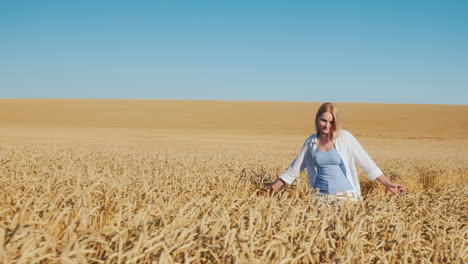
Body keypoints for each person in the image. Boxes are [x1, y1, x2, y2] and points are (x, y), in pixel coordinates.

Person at [265, 102, 407, 201]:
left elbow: (366, 163)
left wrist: (388, 184)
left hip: (345, 197)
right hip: (320, 197)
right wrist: (275, 187)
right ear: (317, 119)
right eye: (323, 120)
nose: (327, 125)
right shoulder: (310, 142)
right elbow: (295, 168)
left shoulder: (345, 137)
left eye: (331, 122)